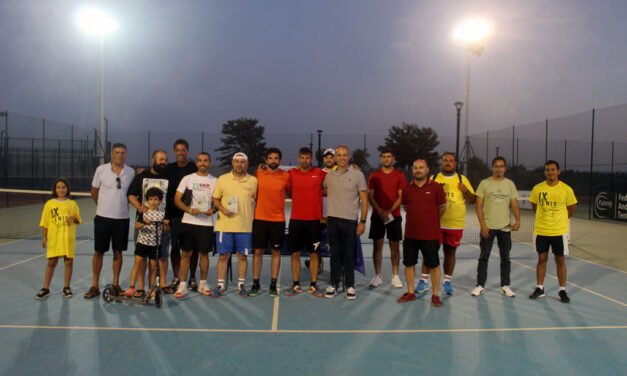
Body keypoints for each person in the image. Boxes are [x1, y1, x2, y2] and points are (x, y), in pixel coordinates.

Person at [417, 152, 475, 295]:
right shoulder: (433, 179)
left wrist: (465, 191)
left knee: (450, 253)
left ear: (455, 163)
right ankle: (424, 281)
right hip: (435, 224)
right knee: (429, 252)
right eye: (445, 160)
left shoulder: (463, 179)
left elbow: (472, 200)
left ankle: (447, 282)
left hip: (455, 223)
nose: (448, 163)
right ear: (441, 163)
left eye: (451, 161)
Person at [85, 143, 135, 299]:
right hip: (103, 218)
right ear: (111, 154)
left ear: (126, 154)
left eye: (123, 152)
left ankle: (115, 284)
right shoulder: (101, 170)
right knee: (99, 251)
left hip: (122, 218)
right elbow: (94, 191)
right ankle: (95, 285)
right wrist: (102, 206)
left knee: (118, 252)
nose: (120, 155)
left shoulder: (131, 172)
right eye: (117, 152)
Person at [397, 160, 446, 307]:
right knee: (409, 264)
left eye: (421, 168)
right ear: (412, 170)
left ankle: (435, 295)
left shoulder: (436, 188)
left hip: (430, 235)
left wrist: (430, 220)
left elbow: (442, 208)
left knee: (434, 265)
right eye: (415, 168)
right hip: (410, 235)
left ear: (427, 169)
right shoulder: (407, 189)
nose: (418, 170)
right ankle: (411, 292)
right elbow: (406, 206)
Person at [126, 150, 174, 295]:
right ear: (153, 159)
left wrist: (168, 220)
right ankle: (140, 287)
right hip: (144, 223)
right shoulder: (142, 175)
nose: (163, 162)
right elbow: (131, 194)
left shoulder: (169, 177)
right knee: (141, 259)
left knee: (162, 256)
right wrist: (140, 207)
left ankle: (162, 284)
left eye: (165, 159)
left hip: (162, 224)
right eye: (160, 159)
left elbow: (171, 201)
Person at [528, 160, 577, 303]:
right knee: (541, 259)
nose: (551, 172)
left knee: (560, 260)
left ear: (558, 171)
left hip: (559, 232)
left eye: (553, 170)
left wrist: (559, 221)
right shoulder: (538, 188)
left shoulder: (566, 189)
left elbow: (571, 208)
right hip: (541, 230)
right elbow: (535, 206)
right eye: (548, 170)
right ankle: (540, 288)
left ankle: (562, 290)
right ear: (545, 172)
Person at [471, 156, 521, 297]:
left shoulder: (510, 184)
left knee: (505, 258)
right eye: (496, 166)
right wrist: (482, 225)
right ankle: (480, 285)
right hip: (488, 228)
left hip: (505, 228)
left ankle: (505, 285)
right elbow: (478, 205)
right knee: (483, 257)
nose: (499, 168)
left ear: (505, 168)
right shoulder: (484, 184)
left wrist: (518, 220)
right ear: (492, 168)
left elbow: (515, 204)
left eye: (501, 166)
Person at [323, 145, 368, 300]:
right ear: (335, 158)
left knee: (349, 255)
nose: (342, 158)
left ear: (348, 157)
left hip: (350, 222)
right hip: (333, 221)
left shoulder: (358, 174)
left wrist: (362, 221)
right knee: (335, 254)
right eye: (339, 155)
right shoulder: (329, 176)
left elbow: (364, 200)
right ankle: (333, 284)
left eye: (345, 155)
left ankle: (350, 285)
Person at [211, 152, 258, 297]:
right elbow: (215, 199)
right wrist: (224, 210)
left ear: (247, 164)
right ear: (232, 163)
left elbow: (255, 200)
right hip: (224, 227)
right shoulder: (222, 179)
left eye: (242, 162)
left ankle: (241, 285)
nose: (239, 164)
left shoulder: (253, 181)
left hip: (245, 227)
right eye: (237, 161)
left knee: (242, 257)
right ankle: (220, 285)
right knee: (223, 256)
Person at [173, 152, 218, 298]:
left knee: (204, 254)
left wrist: (214, 209)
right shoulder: (188, 179)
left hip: (206, 224)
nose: (203, 163)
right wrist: (190, 210)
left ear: (209, 163)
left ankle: (203, 284)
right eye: (200, 160)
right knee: (185, 254)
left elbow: (219, 202)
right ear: (196, 163)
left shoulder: (215, 181)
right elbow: (177, 200)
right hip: (188, 222)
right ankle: (182, 285)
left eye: (205, 160)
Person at [286, 147, 326, 296]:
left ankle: (313, 285)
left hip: (314, 222)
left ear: (312, 159)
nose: (305, 160)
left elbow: (336, 175)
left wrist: (352, 168)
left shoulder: (320, 174)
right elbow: (288, 190)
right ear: (298, 158)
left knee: (314, 254)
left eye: (307, 157)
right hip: (296, 220)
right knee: (295, 254)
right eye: (302, 157)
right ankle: (296, 284)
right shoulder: (291, 174)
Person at [250, 148, 290, 297]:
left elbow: (293, 192)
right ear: (266, 160)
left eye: (276, 158)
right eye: (270, 158)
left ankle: (273, 284)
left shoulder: (286, 177)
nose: (273, 161)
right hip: (260, 219)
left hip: (277, 221)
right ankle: (256, 283)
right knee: (258, 252)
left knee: (276, 252)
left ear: (279, 161)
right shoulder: (258, 174)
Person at [36, 178, 82, 300]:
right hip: (54, 238)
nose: (61, 190)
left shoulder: (73, 204)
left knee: (68, 262)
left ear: (67, 189)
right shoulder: (49, 204)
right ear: (55, 189)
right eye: (58, 187)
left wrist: (74, 219)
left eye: (63, 187)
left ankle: (66, 287)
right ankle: (45, 288)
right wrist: (44, 237)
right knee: (52, 262)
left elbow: (78, 220)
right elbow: (45, 222)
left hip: (68, 238)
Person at [367, 149, 407, 288]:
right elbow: (370, 195)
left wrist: (389, 211)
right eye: (384, 157)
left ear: (393, 159)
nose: (386, 159)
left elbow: (401, 196)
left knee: (394, 246)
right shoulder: (374, 175)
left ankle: (395, 275)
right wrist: (380, 212)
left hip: (394, 216)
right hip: (377, 216)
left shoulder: (400, 175)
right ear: (380, 159)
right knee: (377, 246)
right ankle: (377, 276)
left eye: (389, 156)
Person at [166, 139, 198, 291]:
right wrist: (141, 172)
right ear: (174, 151)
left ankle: (192, 277)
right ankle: (176, 276)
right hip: (174, 215)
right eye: (178, 150)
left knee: (192, 248)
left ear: (187, 151)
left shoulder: (194, 167)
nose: (181, 153)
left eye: (183, 150)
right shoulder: (168, 169)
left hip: (192, 215)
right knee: (175, 247)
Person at [125, 187, 165, 298]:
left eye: (156, 199)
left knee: (153, 267)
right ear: (147, 200)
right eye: (151, 199)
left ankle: (151, 290)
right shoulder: (143, 212)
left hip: (155, 244)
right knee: (137, 262)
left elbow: (166, 229)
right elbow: (136, 225)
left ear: (160, 201)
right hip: (142, 243)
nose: (153, 202)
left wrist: (165, 224)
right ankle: (132, 287)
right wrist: (144, 223)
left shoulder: (162, 214)